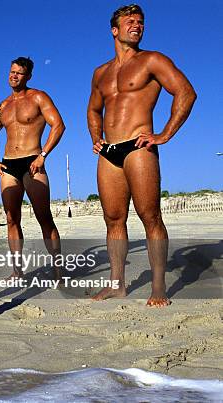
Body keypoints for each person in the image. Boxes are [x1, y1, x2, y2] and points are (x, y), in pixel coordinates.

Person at [87, 4, 196, 307]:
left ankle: (158, 286)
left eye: (140, 22)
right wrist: (96, 138)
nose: (137, 25)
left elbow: (186, 92)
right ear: (115, 30)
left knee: (150, 216)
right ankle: (117, 284)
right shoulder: (101, 73)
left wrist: (164, 134)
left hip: (139, 146)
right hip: (109, 152)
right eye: (130, 21)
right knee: (113, 219)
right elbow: (94, 109)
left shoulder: (152, 60)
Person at [0, 57, 65, 279]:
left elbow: (58, 125)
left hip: (32, 162)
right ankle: (17, 270)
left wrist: (43, 155)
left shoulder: (38, 97)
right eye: (12, 72)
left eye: (19, 73)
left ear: (28, 76)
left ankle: (58, 268)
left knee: (43, 216)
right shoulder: (3, 106)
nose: (14, 76)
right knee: (11, 218)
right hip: (8, 164)